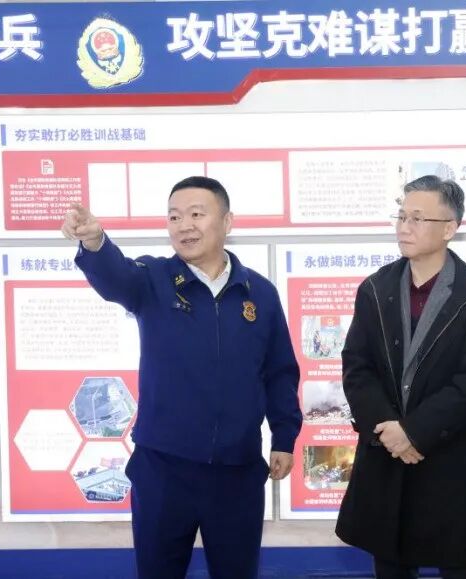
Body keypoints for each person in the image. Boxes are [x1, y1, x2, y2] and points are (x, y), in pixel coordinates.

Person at [62, 176, 302, 579]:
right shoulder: (152, 279)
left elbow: (279, 371)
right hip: (163, 469)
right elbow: (115, 276)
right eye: (174, 217)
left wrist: (284, 437)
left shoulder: (258, 293)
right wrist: (95, 241)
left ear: (227, 222)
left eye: (196, 214)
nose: (184, 226)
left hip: (237, 470)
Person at [336, 175, 466, 579]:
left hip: (450, 461)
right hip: (388, 458)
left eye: (417, 218)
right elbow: (357, 366)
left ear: (449, 228)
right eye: (401, 216)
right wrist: (389, 431)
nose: (404, 227)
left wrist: (413, 432)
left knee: (464, 569)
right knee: (390, 565)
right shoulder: (374, 289)